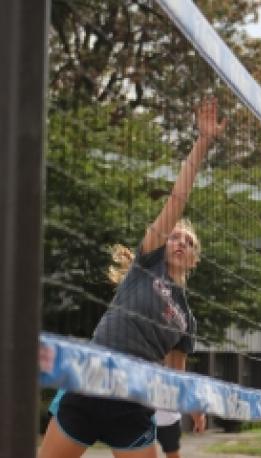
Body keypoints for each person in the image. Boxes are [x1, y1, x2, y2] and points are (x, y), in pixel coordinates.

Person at [39, 97, 225, 458]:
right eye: (176, 235)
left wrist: (193, 402)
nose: (180, 241)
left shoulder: (186, 317)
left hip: (133, 397)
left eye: (189, 241)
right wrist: (203, 141)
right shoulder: (147, 264)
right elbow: (177, 198)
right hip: (89, 381)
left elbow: (177, 374)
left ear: (194, 260)